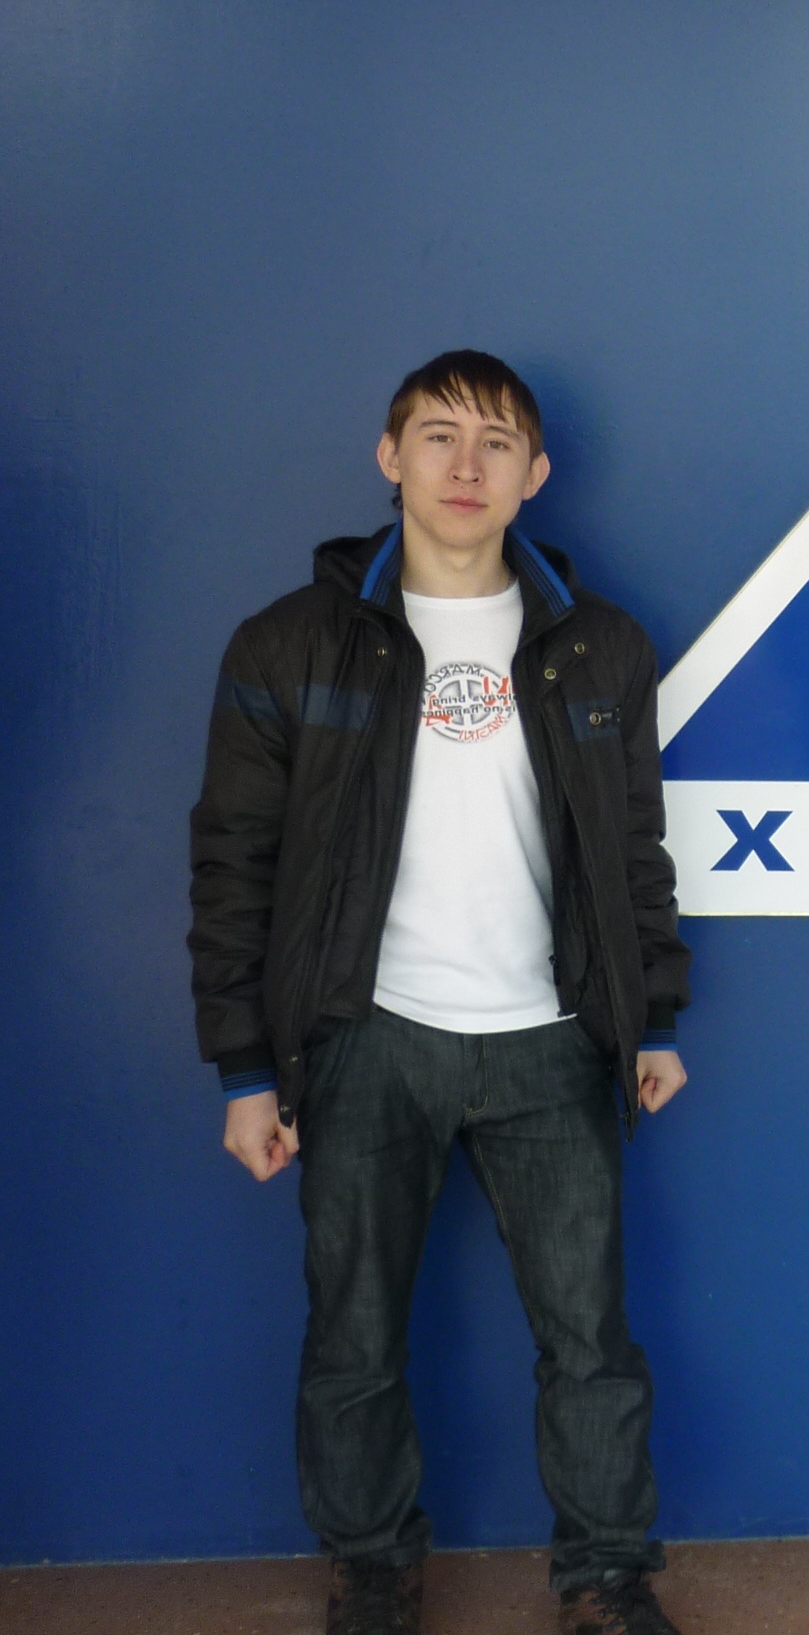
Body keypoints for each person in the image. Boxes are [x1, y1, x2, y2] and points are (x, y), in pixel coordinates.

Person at [189, 351, 692, 1635]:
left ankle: (606, 1578)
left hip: (553, 1039)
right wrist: (246, 1069)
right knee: (353, 1336)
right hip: (365, 1039)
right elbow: (236, 864)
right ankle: (372, 1569)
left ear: (535, 474)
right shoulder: (289, 644)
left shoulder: (600, 646)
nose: (466, 467)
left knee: (590, 1339)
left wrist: (653, 1017)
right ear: (389, 456)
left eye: (496, 443)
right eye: (438, 437)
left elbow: (632, 847)